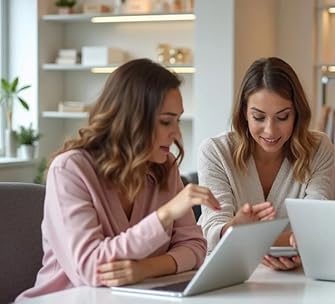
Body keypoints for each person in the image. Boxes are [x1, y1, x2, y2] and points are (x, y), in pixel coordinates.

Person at [17, 59, 220, 300]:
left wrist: (145, 269)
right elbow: (91, 269)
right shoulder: (70, 170)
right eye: (166, 121)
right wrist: (164, 215)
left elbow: (195, 248)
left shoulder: (164, 168)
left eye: (177, 120)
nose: (176, 132)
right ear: (132, 118)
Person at [197, 57, 335, 271]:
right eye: (259, 117)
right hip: (229, 274)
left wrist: (247, 239)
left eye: (282, 117)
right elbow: (213, 232)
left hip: (299, 278)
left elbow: (317, 224)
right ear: (244, 113)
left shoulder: (318, 148)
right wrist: (235, 227)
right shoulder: (215, 152)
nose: (270, 130)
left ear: (297, 113)